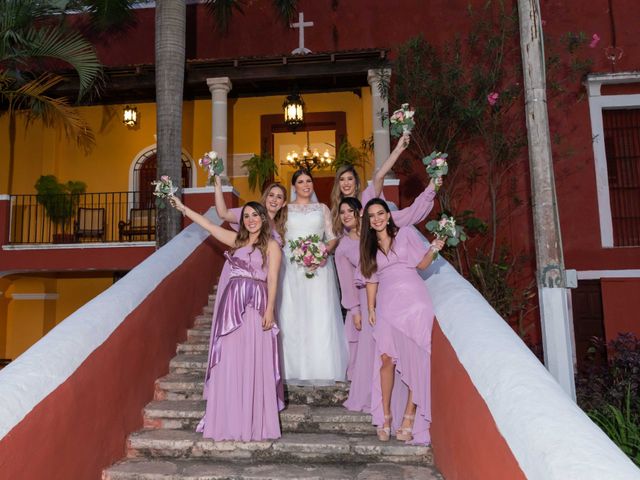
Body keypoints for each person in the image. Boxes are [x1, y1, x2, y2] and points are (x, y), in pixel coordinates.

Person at [170, 196, 284, 441]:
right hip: (231, 306)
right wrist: (184, 208)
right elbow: (210, 227)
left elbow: (272, 278)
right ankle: (228, 419)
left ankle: (252, 422)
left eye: (255, 215)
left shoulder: (272, 246)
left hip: (256, 305)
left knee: (253, 358)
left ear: (264, 219)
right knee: (230, 359)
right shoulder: (236, 240)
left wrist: (270, 310)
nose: (251, 220)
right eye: (246, 216)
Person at [359, 198, 445, 445]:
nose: (377, 218)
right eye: (372, 216)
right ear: (369, 221)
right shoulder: (367, 246)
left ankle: (409, 416)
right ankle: (385, 415)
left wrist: (434, 247)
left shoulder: (406, 233)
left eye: (380, 213)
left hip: (415, 302)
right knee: (386, 359)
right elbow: (371, 279)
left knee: (415, 360)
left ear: (388, 215)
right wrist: (371, 307)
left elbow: (421, 264)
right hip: (387, 303)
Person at [278, 169, 348, 384]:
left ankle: (322, 368)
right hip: (290, 268)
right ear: (294, 186)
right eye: (300, 181)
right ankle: (292, 368)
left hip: (319, 268)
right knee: (292, 314)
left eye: (309, 180)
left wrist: (322, 252)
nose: (306, 184)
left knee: (320, 314)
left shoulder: (322, 208)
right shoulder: (285, 210)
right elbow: (278, 237)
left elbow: (333, 236)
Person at [330, 133, 440, 236]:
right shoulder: (336, 210)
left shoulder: (367, 197)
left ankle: (430, 190)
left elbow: (379, 176)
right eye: (342, 179)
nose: (346, 183)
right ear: (338, 183)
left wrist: (398, 149)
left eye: (350, 179)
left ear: (356, 182)